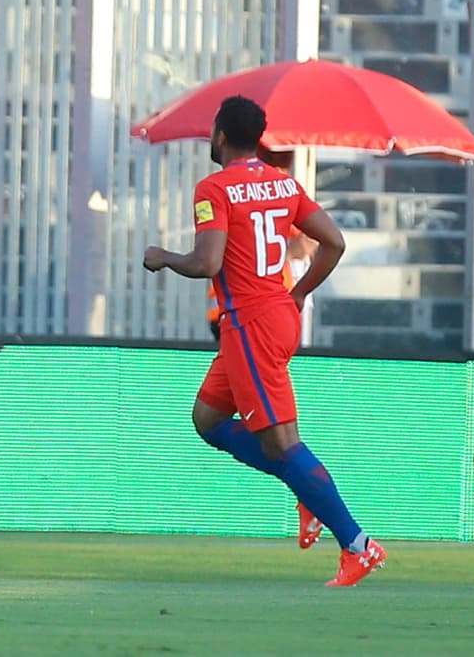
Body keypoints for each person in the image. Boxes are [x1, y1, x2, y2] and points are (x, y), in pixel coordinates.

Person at [143, 95, 385, 587]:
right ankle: (307, 491)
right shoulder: (283, 183)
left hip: (251, 325)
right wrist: (299, 292)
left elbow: (207, 263)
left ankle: (358, 545)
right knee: (208, 420)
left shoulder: (213, 188)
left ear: (220, 136)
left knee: (282, 443)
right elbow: (334, 242)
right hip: (275, 314)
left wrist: (164, 257)